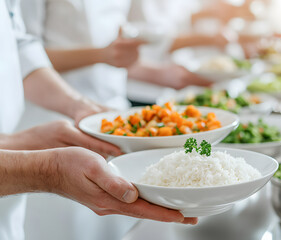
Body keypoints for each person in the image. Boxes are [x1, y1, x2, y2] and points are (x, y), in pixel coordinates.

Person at [0, 1, 197, 240]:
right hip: (42, 127)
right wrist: (47, 170)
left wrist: (80, 106)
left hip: (60, 128)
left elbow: (20, 47)